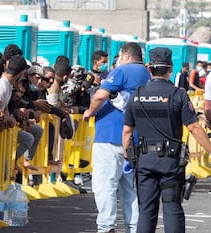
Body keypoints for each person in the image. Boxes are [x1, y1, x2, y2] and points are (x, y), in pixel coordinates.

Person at [123, 47, 211, 233]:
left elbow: (127, 131)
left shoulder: (137, 95)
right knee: (172, 207)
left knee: (146, 210)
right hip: (170, 161)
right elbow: (194, 127)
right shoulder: (178, 94)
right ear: (170, 69)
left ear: (149, 69)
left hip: (145, 160)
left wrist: (127, 156)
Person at [83, 42, 151, 233]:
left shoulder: (122, 71)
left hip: (110, 136)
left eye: (119, 56)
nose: (117, 60)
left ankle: (106, 226)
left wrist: (89, 111)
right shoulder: (146, 74)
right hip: (133, 140)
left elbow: (99, 96)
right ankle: (134, 226)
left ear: (127, 56)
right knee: (130, 189)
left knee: (105, 185)